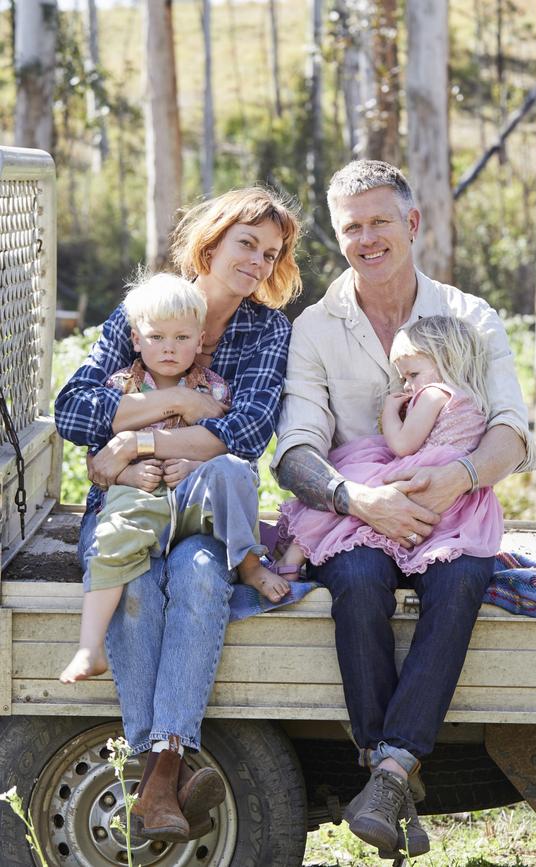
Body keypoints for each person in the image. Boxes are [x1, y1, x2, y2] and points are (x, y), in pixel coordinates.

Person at [273, 160, 536, 860]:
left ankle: (386, 772)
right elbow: (297, 448)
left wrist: (457, 477)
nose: (366, 238)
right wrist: (359, 497)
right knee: (358, 583)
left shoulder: (467, 317)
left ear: (412, 223)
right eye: (351, 226)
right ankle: (391, 773)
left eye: (379, 221)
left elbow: (512, 431)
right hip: (356, 511)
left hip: (448, 508)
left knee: (462, 581)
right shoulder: (316, 328)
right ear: (338, 236)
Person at [55, 187, 301, 843]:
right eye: (246, 243)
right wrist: (190, 417)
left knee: (197, 569)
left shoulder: (265, 328)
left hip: (203, 507)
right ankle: (164, 772)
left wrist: (130, 441)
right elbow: (74, 410)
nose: (257, 261)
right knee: (135, 579)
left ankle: (158, 772)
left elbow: (245, 432)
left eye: (270, 252)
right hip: (131, 502)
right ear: (212, 240)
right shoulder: (147, 308)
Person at [60, 272, 295, 686]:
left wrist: (189, 463)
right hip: (142, 498)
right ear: (135, 339)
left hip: (191, 502)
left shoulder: (214, 393)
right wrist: (130, 472)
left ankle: (249, 563)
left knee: (232, 475)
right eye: (157, 337)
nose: (169, 348)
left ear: (201, 341)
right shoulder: (120, 389)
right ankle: (89, 646)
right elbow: (99, 460)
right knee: (113, 538)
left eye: (182, 338)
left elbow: (229, 440)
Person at [275, 315, 503, 576]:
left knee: (354, 494)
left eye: (413, 375)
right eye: (404, 378)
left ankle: (293, 557)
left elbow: (402, 445)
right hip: (450, 488)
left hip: (421, 469)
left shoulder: (433, 394)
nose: (407, 386)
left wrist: (389, 412)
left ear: (446, 360)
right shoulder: (475, 400)